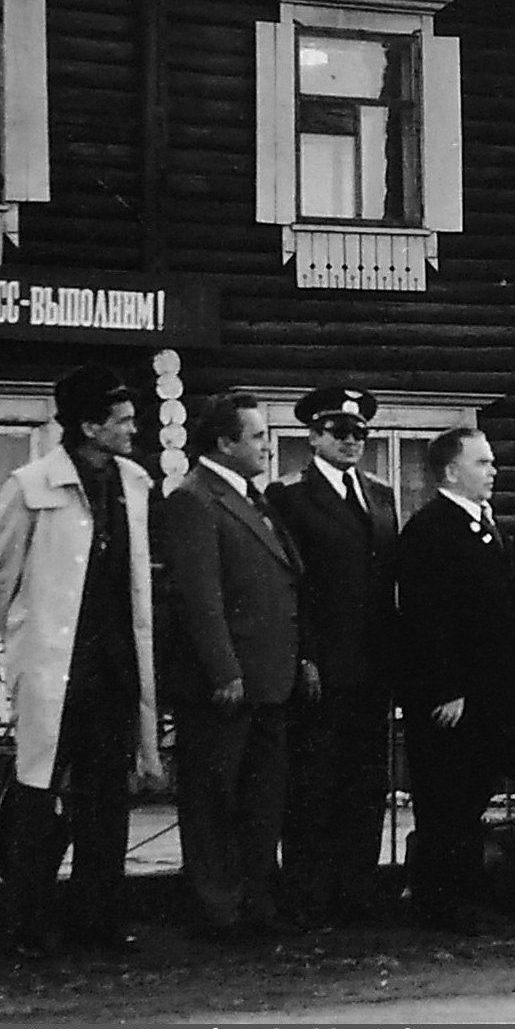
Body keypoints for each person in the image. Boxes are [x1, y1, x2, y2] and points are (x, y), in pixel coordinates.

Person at [0, 363, 162, 958]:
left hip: (114, 666)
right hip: (56, 664)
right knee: (38, 793)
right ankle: (28, 924)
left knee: (106, 798)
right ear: (88, 426)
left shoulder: (133, 481)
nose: (133, 430)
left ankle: (98, 920)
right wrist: (20, 644)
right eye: (122, 421)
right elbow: (0, 578)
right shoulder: (31, 485)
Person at [157, 390, 306, 936]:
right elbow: (201, 596)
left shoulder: (255, 500)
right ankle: (216, 907)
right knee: (214, 799)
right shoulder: (194, 499)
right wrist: (224, 670)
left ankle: (256, 902)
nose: (267, 446)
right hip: (230, 684)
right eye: (258, 437)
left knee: (262, 799)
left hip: (271, 678)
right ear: (224, 442)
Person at [267, 385, 399, 926]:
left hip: (373, 663)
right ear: (314, 436)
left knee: (366, 783)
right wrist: (305, 657)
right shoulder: (289, 497)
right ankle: (309, 895)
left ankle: (358, 889)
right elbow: (292, 586)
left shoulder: (382, 494)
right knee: (313, 782)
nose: (351, 442)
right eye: (339, 433)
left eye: (360, 434)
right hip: (321, 663)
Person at [394, 426, 515, 935]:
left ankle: (462, 893)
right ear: (452, 471)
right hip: (452, 698)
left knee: (471, 793)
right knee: (445, 799)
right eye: (483, 462)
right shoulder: (432, 528)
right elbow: (428, 617)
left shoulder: (484, 523)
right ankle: (440, 900)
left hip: (488, 693)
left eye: (495, 461)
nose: (493, 470)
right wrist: (447, 688)